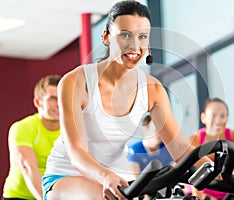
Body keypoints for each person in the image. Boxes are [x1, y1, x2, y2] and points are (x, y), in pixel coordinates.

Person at [41, 1, 211, 200]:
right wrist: (105, 176)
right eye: (125, 35)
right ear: (106, 37)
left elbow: (180, 148)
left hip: (113, 179)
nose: (134, 46)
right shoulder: (76, 82)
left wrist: (231, 181)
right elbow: (76, 152)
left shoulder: (152, 89)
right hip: (66, 175)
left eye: (142, 37)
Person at [2, 75, 61, 200]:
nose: (59, 104)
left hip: (54, 195)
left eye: (62, 98)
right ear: (37, 102)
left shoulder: (69, 129)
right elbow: (28, 166)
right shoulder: (23, 127)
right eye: (52, 99)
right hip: (19, 196)